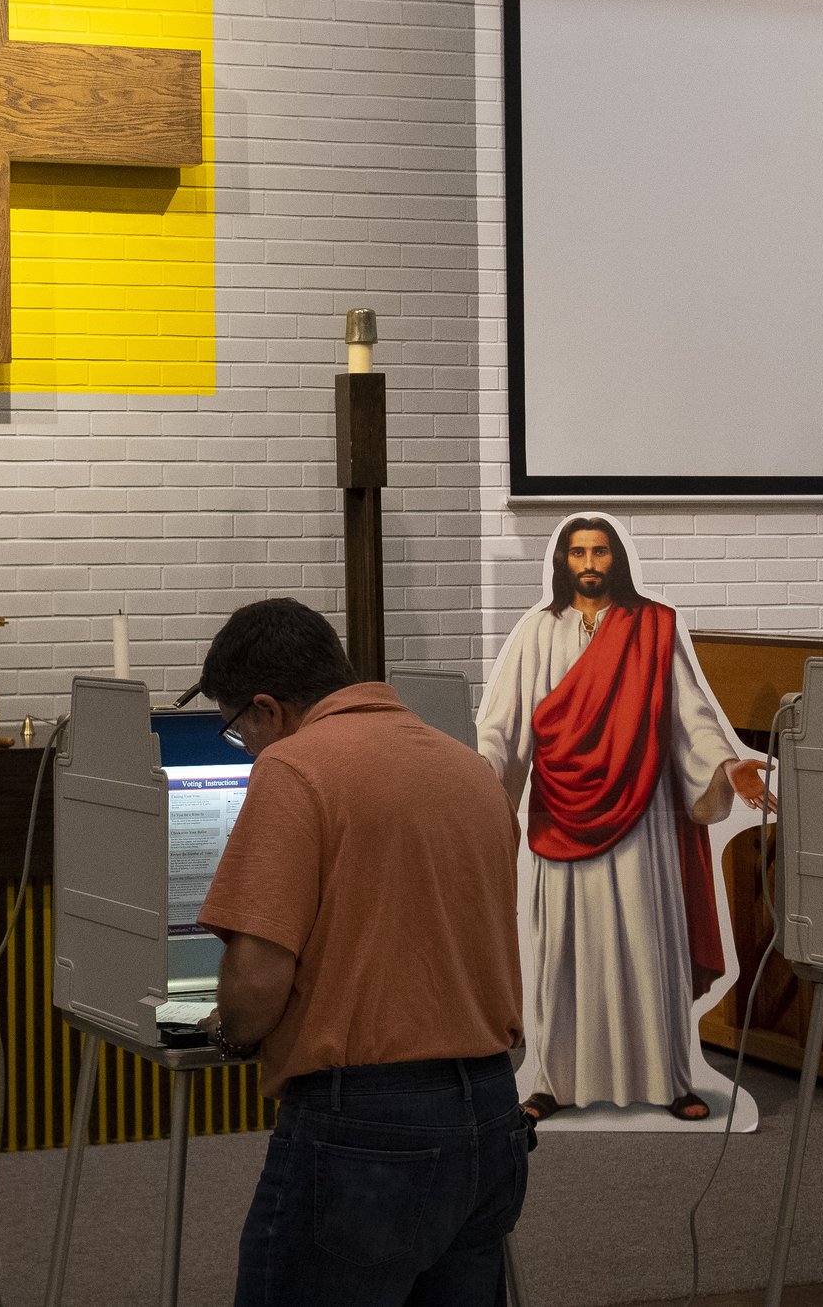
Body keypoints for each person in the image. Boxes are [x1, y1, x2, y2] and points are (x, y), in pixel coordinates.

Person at [194, 598, 527, 1307]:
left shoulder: (293, 768)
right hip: (493, 1114)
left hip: (367, 1129)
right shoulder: (469, 770)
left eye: (237, 729)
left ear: (267, 708)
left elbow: (256, 982)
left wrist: (226, 1035)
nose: (246, 745)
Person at [476, 515, 771, 1123]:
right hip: (562, 814)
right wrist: (478, 782)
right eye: (578, 552)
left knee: (645, 944)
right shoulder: (536, 632)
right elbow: (501, 727)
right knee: (563, 956)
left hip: (642, 814)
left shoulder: (653, 627)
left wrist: (728, 764)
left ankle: (669, 1080)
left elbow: (690, 714)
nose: (589, 562)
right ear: (562, 561)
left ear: (617, 559)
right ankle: (552, 1082)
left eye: (600, 551)